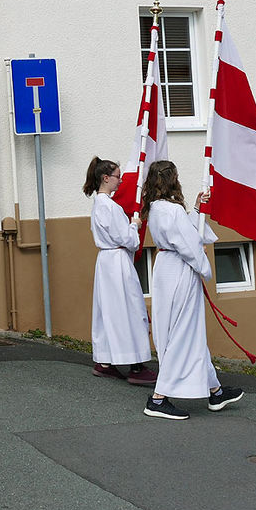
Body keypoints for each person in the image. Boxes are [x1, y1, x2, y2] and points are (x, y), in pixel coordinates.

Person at [141, 160, 244, 419]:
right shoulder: (171, 211)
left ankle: (215, 391)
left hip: (165, 268)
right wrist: (204, 267)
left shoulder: (156, 208)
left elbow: (184, 231)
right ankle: (158, 398)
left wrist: (197, 209)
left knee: (184, 331)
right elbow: (188, 244)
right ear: (172, 180)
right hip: (180, 270)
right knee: (183, 332)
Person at [83, 157, 156, 386]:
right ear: (106, 178)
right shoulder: (110, 207)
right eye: (117, 177)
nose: (120, 181)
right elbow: (127, 240)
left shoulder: (100, 205)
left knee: (110, 310)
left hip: (107, 262)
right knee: (129, 308)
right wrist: (134, 225)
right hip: (117, 261)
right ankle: (135, 364)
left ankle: (106, 362)